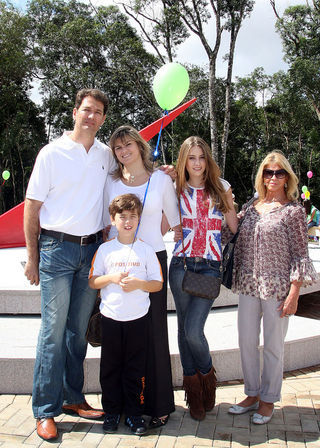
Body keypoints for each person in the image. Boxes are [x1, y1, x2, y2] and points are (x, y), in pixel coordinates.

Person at [24, 89, 114, 441]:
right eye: (86, 110)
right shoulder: (52, 153)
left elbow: (132, 176)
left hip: (90, 252)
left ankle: (73, 399)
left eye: (98, 112)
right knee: (52, 332)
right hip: (56, 251)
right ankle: (45, 410)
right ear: (75, 111)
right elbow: (32, 207)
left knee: (78, 332)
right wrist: (33, 258)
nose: (91, 117)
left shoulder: (106, 155)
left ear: (103, 118)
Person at [228, 151, 317, 424]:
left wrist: (294, 293)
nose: (273, 177)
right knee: (246, 341)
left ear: (287, 177)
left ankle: (268, 399)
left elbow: (301, 255)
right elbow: (230, 230)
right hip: (248, 283)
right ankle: (252, 393)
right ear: (262, 176)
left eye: (279, 172)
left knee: (273, 346)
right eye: (268, 172)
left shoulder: (293, 211)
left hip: (278, 287)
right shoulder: (252, 205)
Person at [105, 125, 180, 428]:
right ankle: (124, 404)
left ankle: (158, 404)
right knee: (122, 337)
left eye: (128, 145)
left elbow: (175, 221)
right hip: (119, 264)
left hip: (153, 263)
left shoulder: (161, 180)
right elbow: (106, 226)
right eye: (118, 148)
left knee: (153, 333)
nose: (124, 152)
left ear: (139, 145)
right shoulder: (111, 184)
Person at [169, 136, 238, 421]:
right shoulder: (174, 190)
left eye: (201, 157)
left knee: (194, 331)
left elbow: (235, 225)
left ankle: (208, 379)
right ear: (183, 161)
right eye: (191, 158)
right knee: (184, 330)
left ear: (207, 160)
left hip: (209, 267)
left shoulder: (221, 188)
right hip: (181, 265)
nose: (196, 163)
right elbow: (161, 223)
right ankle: (194, 394)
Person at [89, 194, 163, 435]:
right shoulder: (105, 250)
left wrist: (139, 284)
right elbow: (93, 281)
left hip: (138, 321)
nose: (128, 221)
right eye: (123, 217)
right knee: (110, 368)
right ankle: (111, 413)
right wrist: (110, 278)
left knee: (135, 369)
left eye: (133, 217)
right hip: (111, 320)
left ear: (139, 219)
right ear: (113, 219)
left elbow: (158, 284)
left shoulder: (146, 250)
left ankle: (133, 414)